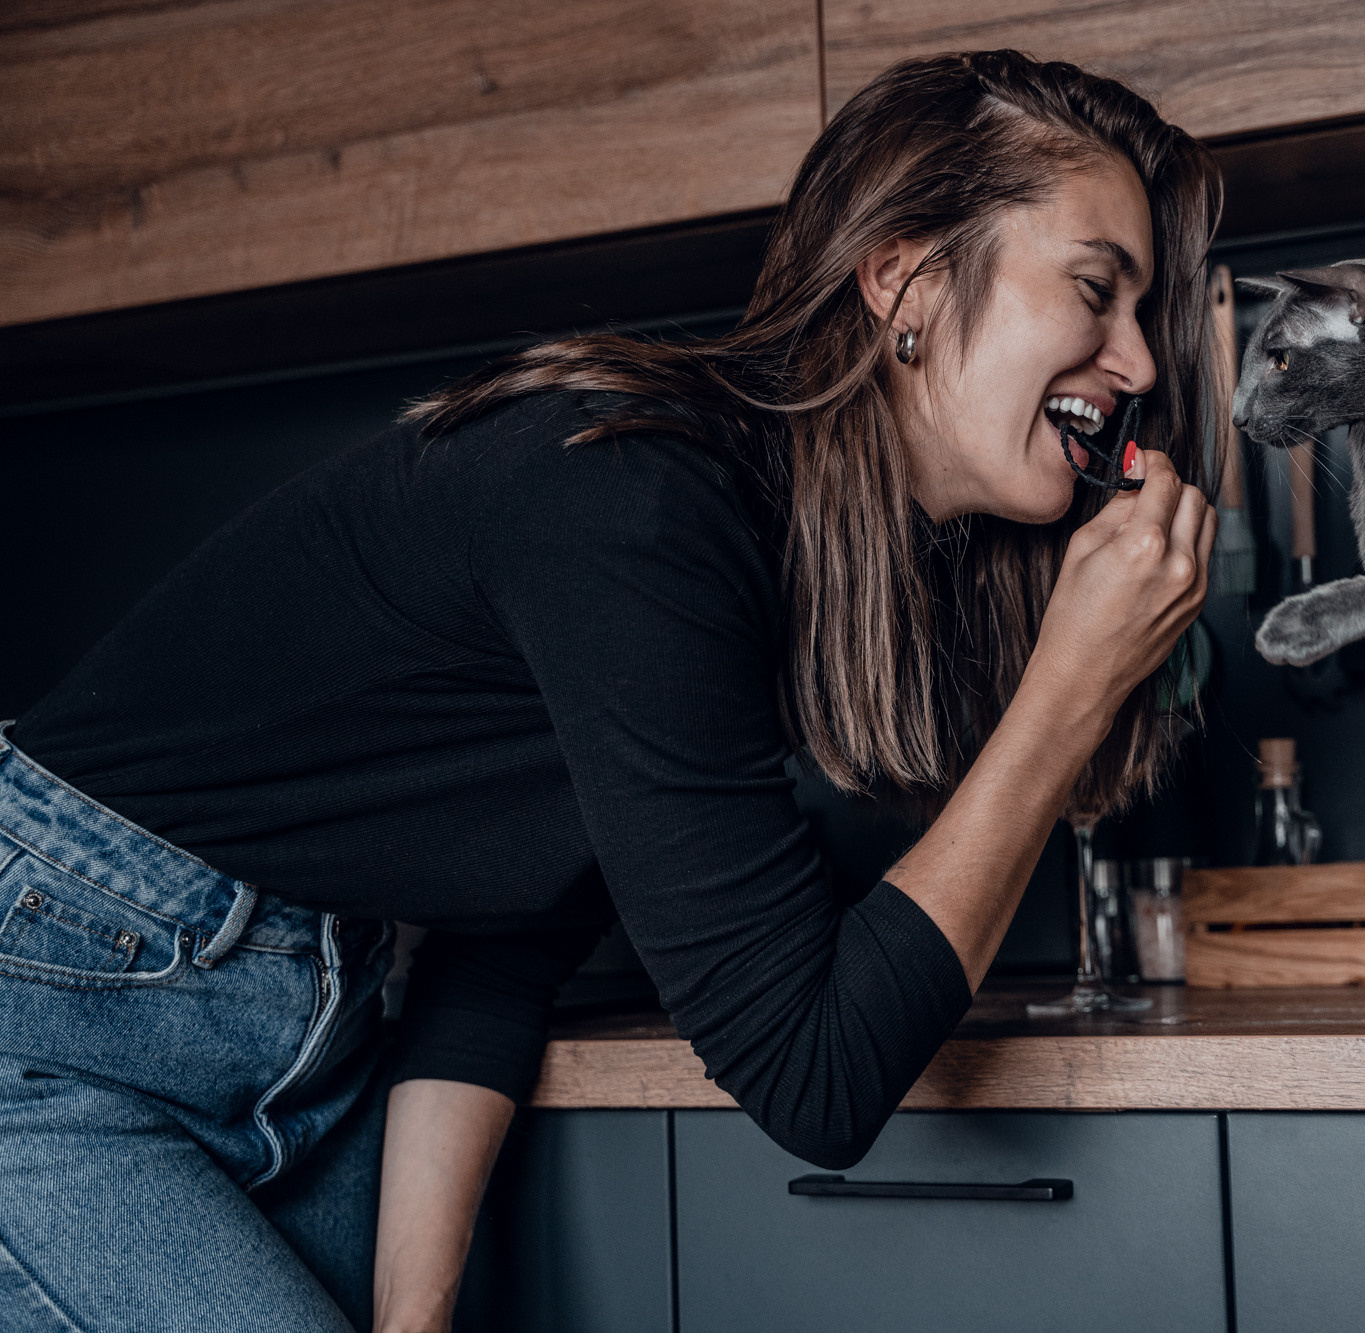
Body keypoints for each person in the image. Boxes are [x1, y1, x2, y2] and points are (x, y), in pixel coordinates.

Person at [0, 49, 1220, 1333]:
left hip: (290, 1041)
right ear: (902, 273)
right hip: (55, 1010)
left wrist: (411, 1322)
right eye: (1097, 291)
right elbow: (815, 1075)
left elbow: (501, 942)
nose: (1135, 362)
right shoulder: (637, 504)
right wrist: (1067, 686)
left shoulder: (751, 551)